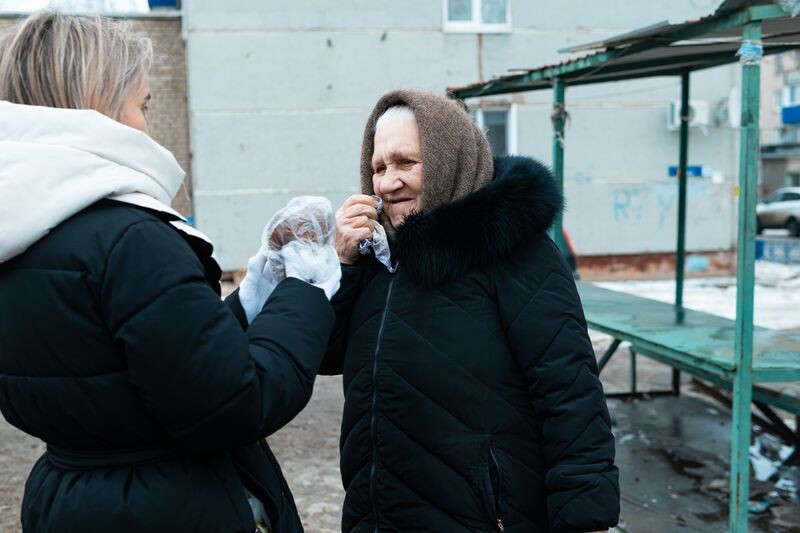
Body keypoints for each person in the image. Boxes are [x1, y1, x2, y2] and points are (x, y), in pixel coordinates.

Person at [0, 11, 339, 532]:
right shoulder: (129, 238)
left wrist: (255, 297)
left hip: (67, 499)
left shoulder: (21, 236)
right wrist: (305, 288)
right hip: (168, 507)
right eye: (142, 105)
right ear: (100, 103)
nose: (146, 126)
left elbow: (150, 362)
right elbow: (233, 403)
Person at [322, 90, 620, 532]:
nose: (387, 183)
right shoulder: (378, 257)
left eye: (406, 162)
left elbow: (569, 395)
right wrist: (343, 265)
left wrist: (583, 518)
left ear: (449, 160)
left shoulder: (518, 254)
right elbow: (327, 354)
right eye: (378, 168)